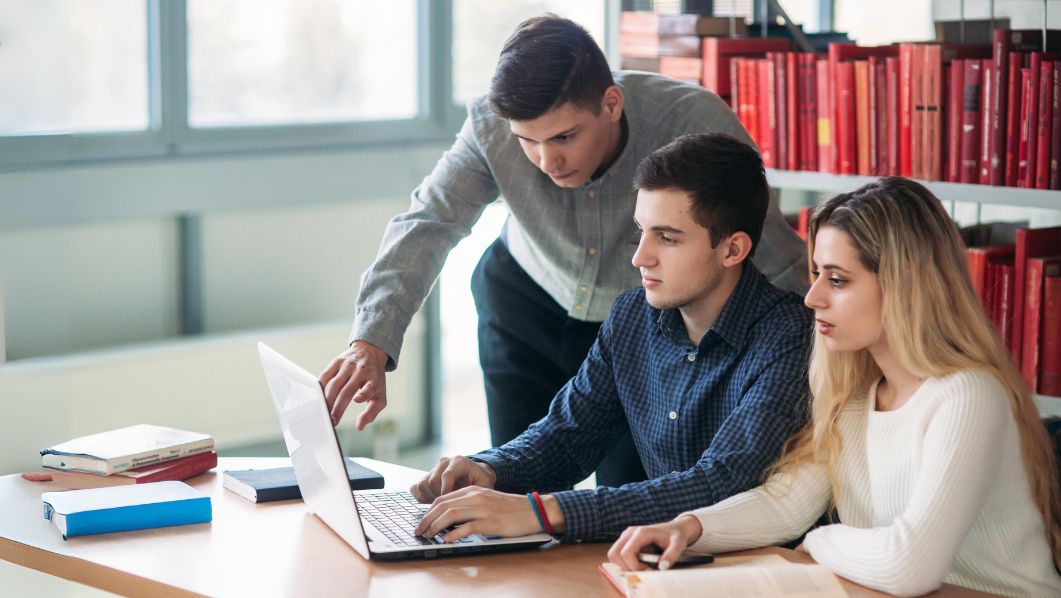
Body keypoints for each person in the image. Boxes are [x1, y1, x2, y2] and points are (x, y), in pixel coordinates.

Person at [317, 15, 807, 488]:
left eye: (565, 137)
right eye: (527, 142)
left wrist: (829, 355)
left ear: (611, 103)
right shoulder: (490, 124)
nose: (546, 161)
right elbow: (429, 221)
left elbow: (767, 249)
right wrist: (371, 342)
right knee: (507, 479)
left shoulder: (692, 122)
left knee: (628, 496)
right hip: (524, 303)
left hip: (636, 326)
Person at [607, 177, 1061, 597]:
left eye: (838, 280)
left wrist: (818, 539)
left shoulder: (967, 395)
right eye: (817, 273)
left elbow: (909, 566)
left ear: (906, 288)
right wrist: (686, 528)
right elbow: (786, 503)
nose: (812, 297)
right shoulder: (858, 398)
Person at [408, 133, 813, 545]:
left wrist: (542, 512)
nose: (641, 257)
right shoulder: (632, 316)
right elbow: (568, 435)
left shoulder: (791, 338)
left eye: (668, 238)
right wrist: (490, 469)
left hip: (761, 572)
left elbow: (719, 485)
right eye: (641, 231)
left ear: (733, 249)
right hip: (662, 566)